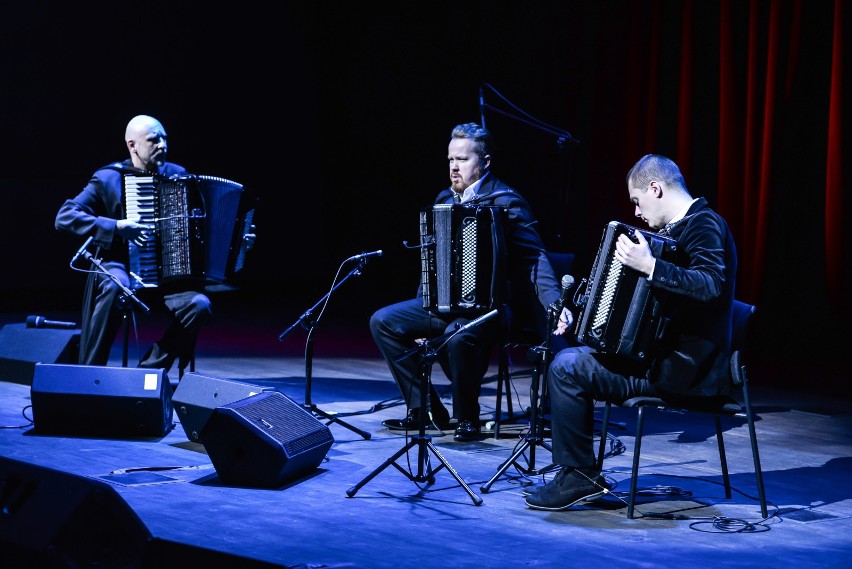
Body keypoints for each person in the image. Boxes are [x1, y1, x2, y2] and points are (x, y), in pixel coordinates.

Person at [525, 153, 738, 510]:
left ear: (655, 188)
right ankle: (578, 473)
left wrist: (651, 267)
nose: (637, 213)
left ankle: (579, 474)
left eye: (637, 201)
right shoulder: (677, 230)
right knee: (573, 357)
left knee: (567, 367)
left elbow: (710, 284)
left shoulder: (704, 225)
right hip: (659, 361)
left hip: (683, 372)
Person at [370, 122, 570, 442]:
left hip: (492, 309)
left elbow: (535, 260)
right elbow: (430, 264)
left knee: (457, 334)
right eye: (450, 159)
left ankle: (468, 415)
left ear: (485, 162)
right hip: (444, 304)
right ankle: (426, 409)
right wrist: (424, 303)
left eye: (462, 160)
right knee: (384, 321)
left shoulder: (507, 202)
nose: (453, 167)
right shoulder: (443, 200)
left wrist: (554, 304)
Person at [55, 114, 253, 377]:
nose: (162, 144)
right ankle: (90, 375)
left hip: (169, 280)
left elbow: (200, 235)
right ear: (132, 145)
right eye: (153, 139)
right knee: (116, 287)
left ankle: (149, 370)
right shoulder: (108, 178)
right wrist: (115, 227)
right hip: (121, 268)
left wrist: (238, 244)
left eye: (164, 138)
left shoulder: (179, 176)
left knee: (200, 305)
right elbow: (65, 216)